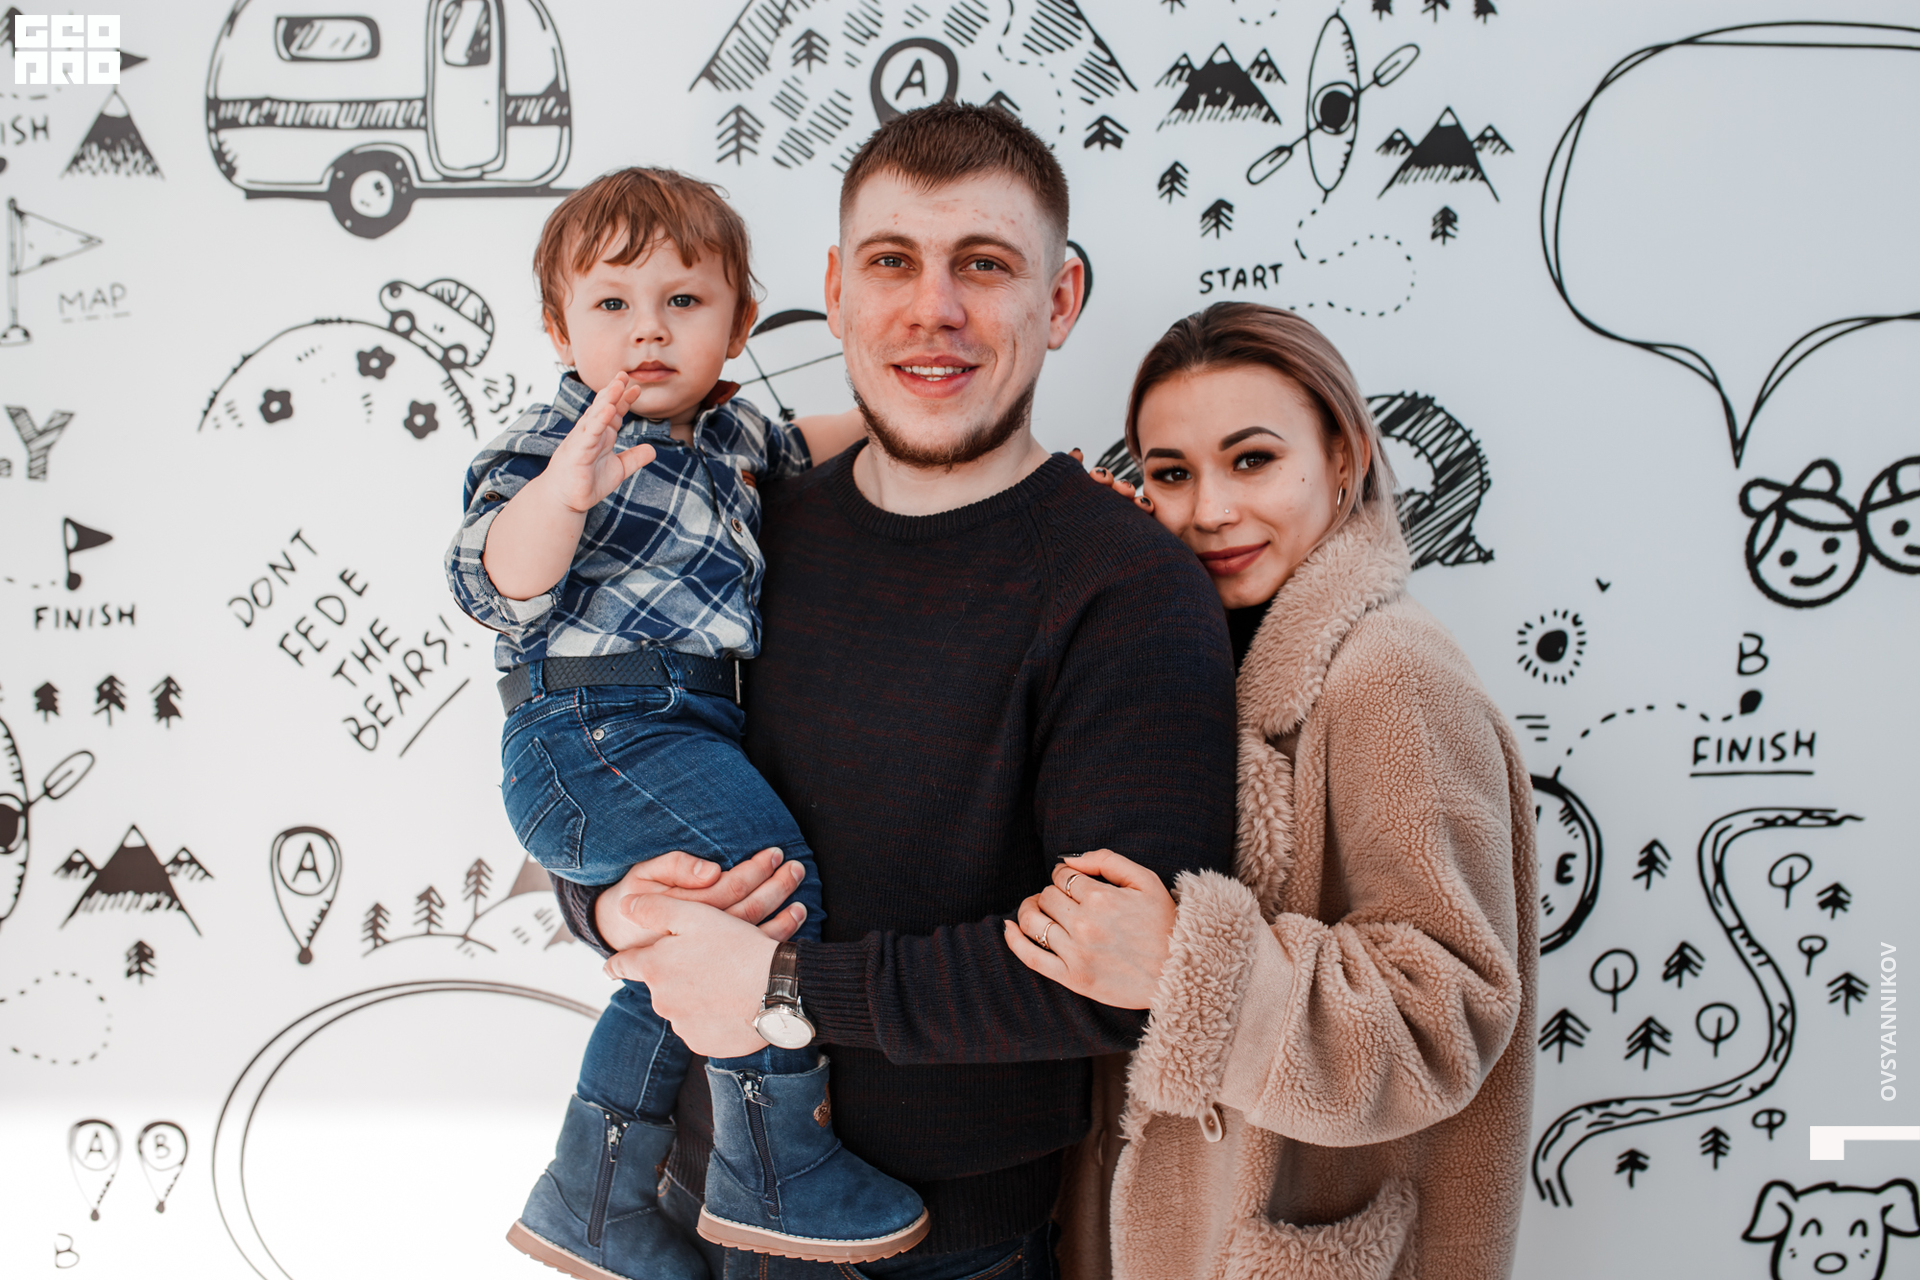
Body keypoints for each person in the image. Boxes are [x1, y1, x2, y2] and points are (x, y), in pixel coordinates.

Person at [548, 103, 1239, 1280]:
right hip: (682, 1199)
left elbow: (1114, 982)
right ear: (836, 290)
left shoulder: (1129, 586)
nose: (934, 308)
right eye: (891, 262)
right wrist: (604, 907)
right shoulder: (741, 527)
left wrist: (780, 986)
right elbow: (603, 753)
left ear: (1060, 299)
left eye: (986, 264)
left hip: (937, 1242)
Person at [444, 167, 922, 1280]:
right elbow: (491, 581)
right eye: (611, 303)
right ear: (559, 328)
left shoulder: (737, 430)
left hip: (681, 726)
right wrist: (563, 495)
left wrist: (909, 408)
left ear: (739, 325)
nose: (648, 330)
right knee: (771, 883)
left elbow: (820, 441)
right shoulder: (548, 445)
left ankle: (595, 1195)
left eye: (684, 302)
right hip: (591, 729)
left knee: (691, 944)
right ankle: (774, 1161)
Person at [1009, 303, 1537, 1280]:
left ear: (1344, 457)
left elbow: (1444, 1018)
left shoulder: (1391, 675)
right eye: (1171, 473)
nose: (1209, 509)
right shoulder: (1204, 652)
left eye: (1252, 460)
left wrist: (1187, 967)